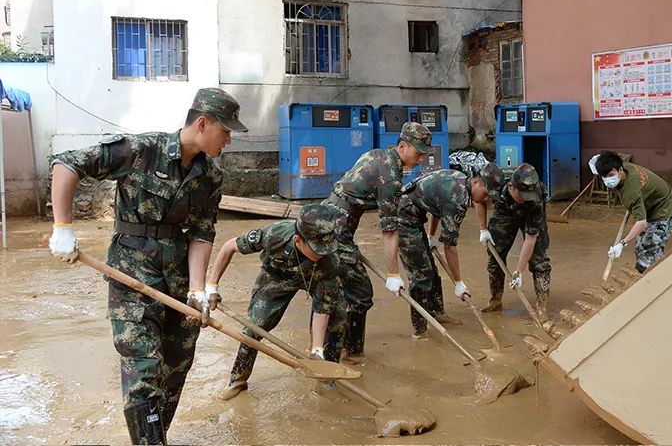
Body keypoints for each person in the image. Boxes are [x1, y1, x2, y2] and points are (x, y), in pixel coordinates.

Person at [47, 87, 247, 445]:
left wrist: (198, 289)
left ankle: (155, 437)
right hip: (131, 272)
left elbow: (202, 232)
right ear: (203, 123)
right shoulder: (141, 150)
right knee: (143, 363)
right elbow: (67, 163)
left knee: (177, 363)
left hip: (179, 276)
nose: (230, 139)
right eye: (227, 130)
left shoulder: (211, 176)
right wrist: (62, 226)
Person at [210, 203, 345, 400]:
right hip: (277, 277)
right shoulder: (275, 235)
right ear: (298, 241)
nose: (322, 253)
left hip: (316, 279)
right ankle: (238, 380)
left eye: (325, 248)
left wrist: (316, 349)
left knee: (338, 320)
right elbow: (229, 246)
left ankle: (326, 382)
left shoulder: (330, 259)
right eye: (317, 249)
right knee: (254, 328)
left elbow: (322, 307)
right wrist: (211, 286)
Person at [324, 121, 433, 363]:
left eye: (424, 153)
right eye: (418, 152)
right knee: (360, 293)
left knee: (336, 289)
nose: (422, 159)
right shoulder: (391, 179)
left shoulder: (376, 154)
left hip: (329, 218)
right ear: (403, 146)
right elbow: (389, 231)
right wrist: (393, 274)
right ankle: (350, 354)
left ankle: (332, 349)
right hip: (337, 229)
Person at [397, 163, 506, 338]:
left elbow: (437, 208)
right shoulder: (458, 199)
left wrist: (431, 236)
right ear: (476, 182)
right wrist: (458, 283)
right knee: (421, 276)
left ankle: (437, 312)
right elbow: (450, 246)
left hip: (415, 212)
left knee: (431, 270)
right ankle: (420, 330)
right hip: (402, 217)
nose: (486, 200)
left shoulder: (460, 180)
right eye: (486, 194)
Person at [477, 163, 552, 322]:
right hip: (505, 212)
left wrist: (518, 271)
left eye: (528, 195)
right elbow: (479, 198)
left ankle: (541, 305)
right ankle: (495, 299)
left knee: (540, 261)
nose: (526, 198)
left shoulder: (535, 200)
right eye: (523, 194)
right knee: (495, 254)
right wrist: (483, 229)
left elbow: (530, 238)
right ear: (511, 187)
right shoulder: (494, 179)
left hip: (530, 214)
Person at [588, 151, 672, 273]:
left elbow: (641, 223)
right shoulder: (623, 166)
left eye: (610, 175)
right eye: (603, 176)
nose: (607, 180)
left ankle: (640, 279)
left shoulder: (631, 192)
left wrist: (622, 244)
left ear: (620, 170)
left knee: (649, 249)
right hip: (648, 205)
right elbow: (599, 162)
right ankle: (654, 272)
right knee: (640, 247)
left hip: (663, 211)